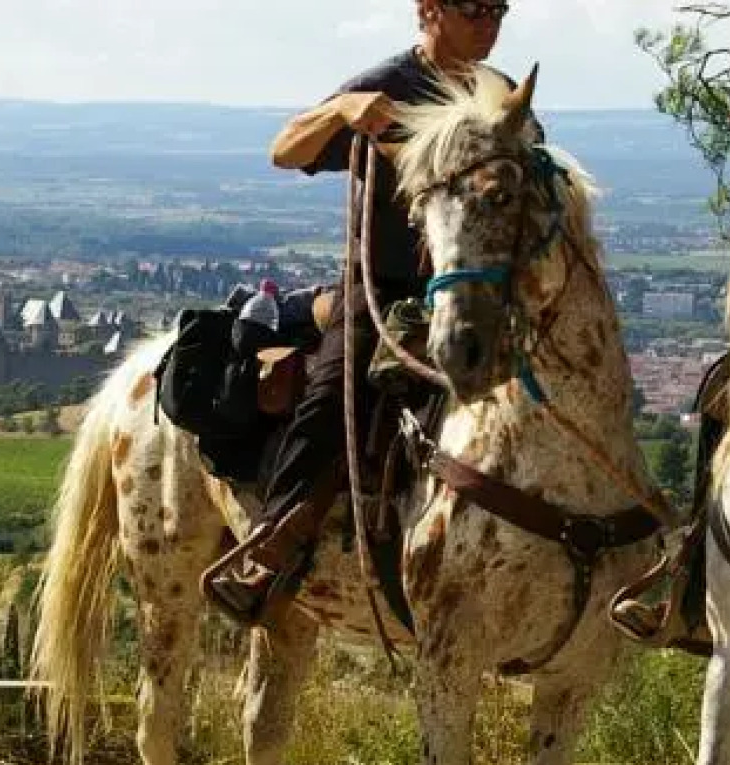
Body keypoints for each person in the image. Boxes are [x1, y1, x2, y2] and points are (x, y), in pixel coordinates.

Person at [206, 0, 514, 624]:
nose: (492, 22)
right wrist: (343, 110)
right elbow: (285, 151)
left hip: (476, 285)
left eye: (500, 8)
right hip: (387, 286)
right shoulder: (389, 85)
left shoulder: (500, 93)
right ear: (429, 12)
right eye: (476, 9)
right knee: (333, 394)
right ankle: (273, 545)